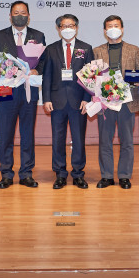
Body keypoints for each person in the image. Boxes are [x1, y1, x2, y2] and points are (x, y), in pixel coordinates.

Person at [0, 1, 45, 189]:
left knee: (27, 134)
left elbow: (44, 61)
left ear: (29, 16)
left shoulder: (38, 35)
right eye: (16, 13)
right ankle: (6, 174)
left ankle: (26, 173)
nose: (20, 16)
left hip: (28, 90)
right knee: (6, 133)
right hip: (5, 90)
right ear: (10, 16)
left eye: (23, 12)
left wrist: (37, 70)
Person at [36, 14, 95, 189]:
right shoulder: (51, 49)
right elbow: (47, 76)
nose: (67, 29)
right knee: (58, 139)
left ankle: (78, 174)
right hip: (57, 101)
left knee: (79, 139)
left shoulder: (86, 48)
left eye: (71, 25)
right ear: (58, 28)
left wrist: (87, 99)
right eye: (64, 26)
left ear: (76, 27)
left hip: (79, 101)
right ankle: (60, 174)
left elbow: (91, 76)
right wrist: (46, 99)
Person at [93, 15, 139, 189]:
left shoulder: (133, 49)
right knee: (105, 140)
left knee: (127, 141)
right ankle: (107, 176)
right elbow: (92, 75)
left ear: (122, 29)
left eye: (116, 26)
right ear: (104, 31)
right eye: (109, 26)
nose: (113, 29)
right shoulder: (97, 51)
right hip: (105, 102)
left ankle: (124, 176)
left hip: (127, 100)